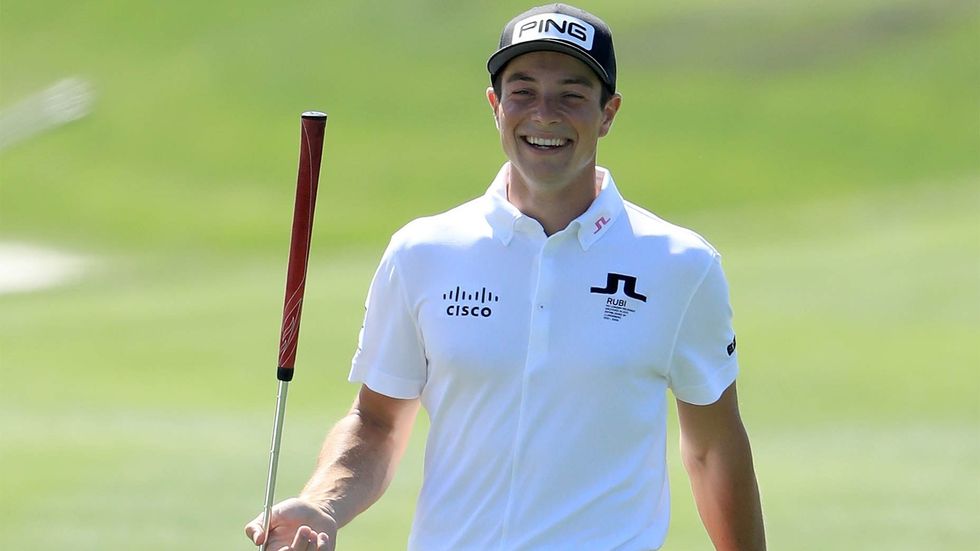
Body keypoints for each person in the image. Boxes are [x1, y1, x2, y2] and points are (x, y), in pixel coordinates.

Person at [245, 4, 765, 550]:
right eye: (523, 92)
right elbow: (376, 422)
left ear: (608, 113)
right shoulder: (423, 252)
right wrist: (323, 505)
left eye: (571, 95)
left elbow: (713, 448)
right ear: (495, 106)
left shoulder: (682, 265)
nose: (544, 114)